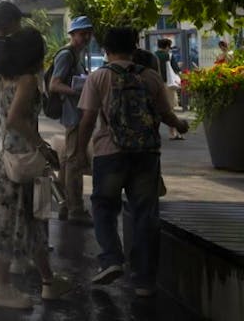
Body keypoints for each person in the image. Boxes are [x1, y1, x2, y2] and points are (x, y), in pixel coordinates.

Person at [76, 27, 189, 298]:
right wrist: (181, 125)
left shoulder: (99, 77)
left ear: (105, 49)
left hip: (109, 153)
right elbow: (165, 114)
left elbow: (88, 119)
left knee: (103, 206)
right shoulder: (149, 76)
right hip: (146, 154)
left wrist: (80, 151)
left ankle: (112, 259)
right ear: (134, 47)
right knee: (145, 214)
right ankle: (144, 280)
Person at [0, 28, 71, 309]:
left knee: (24, 219)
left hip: (4, 154)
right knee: (24, 218)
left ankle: (48, 281)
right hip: (23, 157)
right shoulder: (28, 80)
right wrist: (43, 146)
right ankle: (1, 287)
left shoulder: (4, 78)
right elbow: (15, 118)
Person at [48, 15, 94, 225]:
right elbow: (54, 85)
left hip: (76, 113)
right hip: (73, 114)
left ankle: (63, 204)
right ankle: (76, 208)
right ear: (73, 34)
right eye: (82, 33)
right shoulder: (66, 55)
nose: (86, 37)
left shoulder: (77, 54)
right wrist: (78, 91)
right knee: (75, 160)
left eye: (88, 33)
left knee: (68, 160)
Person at [155, 39, 183, 140]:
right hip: (168, 85)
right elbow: (176, 69)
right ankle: (173, 132)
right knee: (170, 108)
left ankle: (154, 133)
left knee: (156, 109)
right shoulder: (169, 56)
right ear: (167, 46)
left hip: (156, 85)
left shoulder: (153, 56)